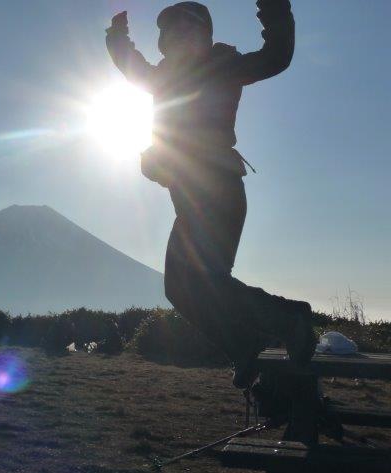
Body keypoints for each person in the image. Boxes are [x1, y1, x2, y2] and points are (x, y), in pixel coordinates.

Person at [105, 0, 317, 388]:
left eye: (189, 31)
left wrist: (273, 9)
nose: (179, 39)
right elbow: (131, 67)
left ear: (207, 37)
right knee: (180, 289)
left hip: (218, 192)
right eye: (171, 34)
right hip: (191, 201)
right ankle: (245, 345)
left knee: (206, 282)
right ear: (164, 43)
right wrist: (117, 37)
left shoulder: (223, 67)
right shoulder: (163, 78)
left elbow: (276, 57)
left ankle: (290, 321)